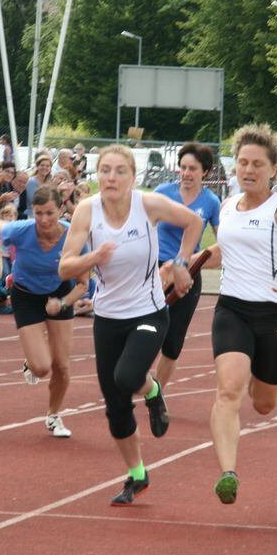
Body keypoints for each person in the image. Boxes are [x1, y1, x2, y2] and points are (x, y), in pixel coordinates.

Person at [59, 144, 203, 505]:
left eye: (119, 171)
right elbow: (65, 266)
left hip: (149, 312)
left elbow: (193, 222)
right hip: (108, 317)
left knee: (127, 376)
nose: (111, 177)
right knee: (115, 405)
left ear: (132, 177)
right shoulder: (86, 211)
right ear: (97, 176)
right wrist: (94, 256)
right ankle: (136, 473)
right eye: (105, 170)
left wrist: (182, 262)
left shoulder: (148, 204)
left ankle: (153, 391)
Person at [194, 123, 277, 504]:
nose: (248, 170)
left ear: (273, 168)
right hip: (231, 308)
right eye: (243, 162)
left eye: (257, 164)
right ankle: (228, 473)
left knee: (263, 403)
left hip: (274, 312)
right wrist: (190, 264)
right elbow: (222, 252)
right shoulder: (229, 205)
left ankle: (271, 379)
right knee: (228, 391)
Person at [0, 185, 90, 438]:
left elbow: (83, 284)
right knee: (42, 368)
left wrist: (63, 303)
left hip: (59, 293)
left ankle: (54, 415)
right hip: (26, 295)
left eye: (50, 213)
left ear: (61, 209)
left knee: (62, 366)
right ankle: (31, 364)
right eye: (38, 213)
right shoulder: (20, 230)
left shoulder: (74, 237)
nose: (44, 220)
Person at [152, 142, 221, 389]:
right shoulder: (162, 192)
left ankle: (156, 393)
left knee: (173, 341)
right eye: (183, 167)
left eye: (193, 168)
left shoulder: (211, 202)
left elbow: (222, 241)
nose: (187, 173)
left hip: (188, 273)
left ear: (205, 171)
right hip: (157, 270)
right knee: (146, 328)